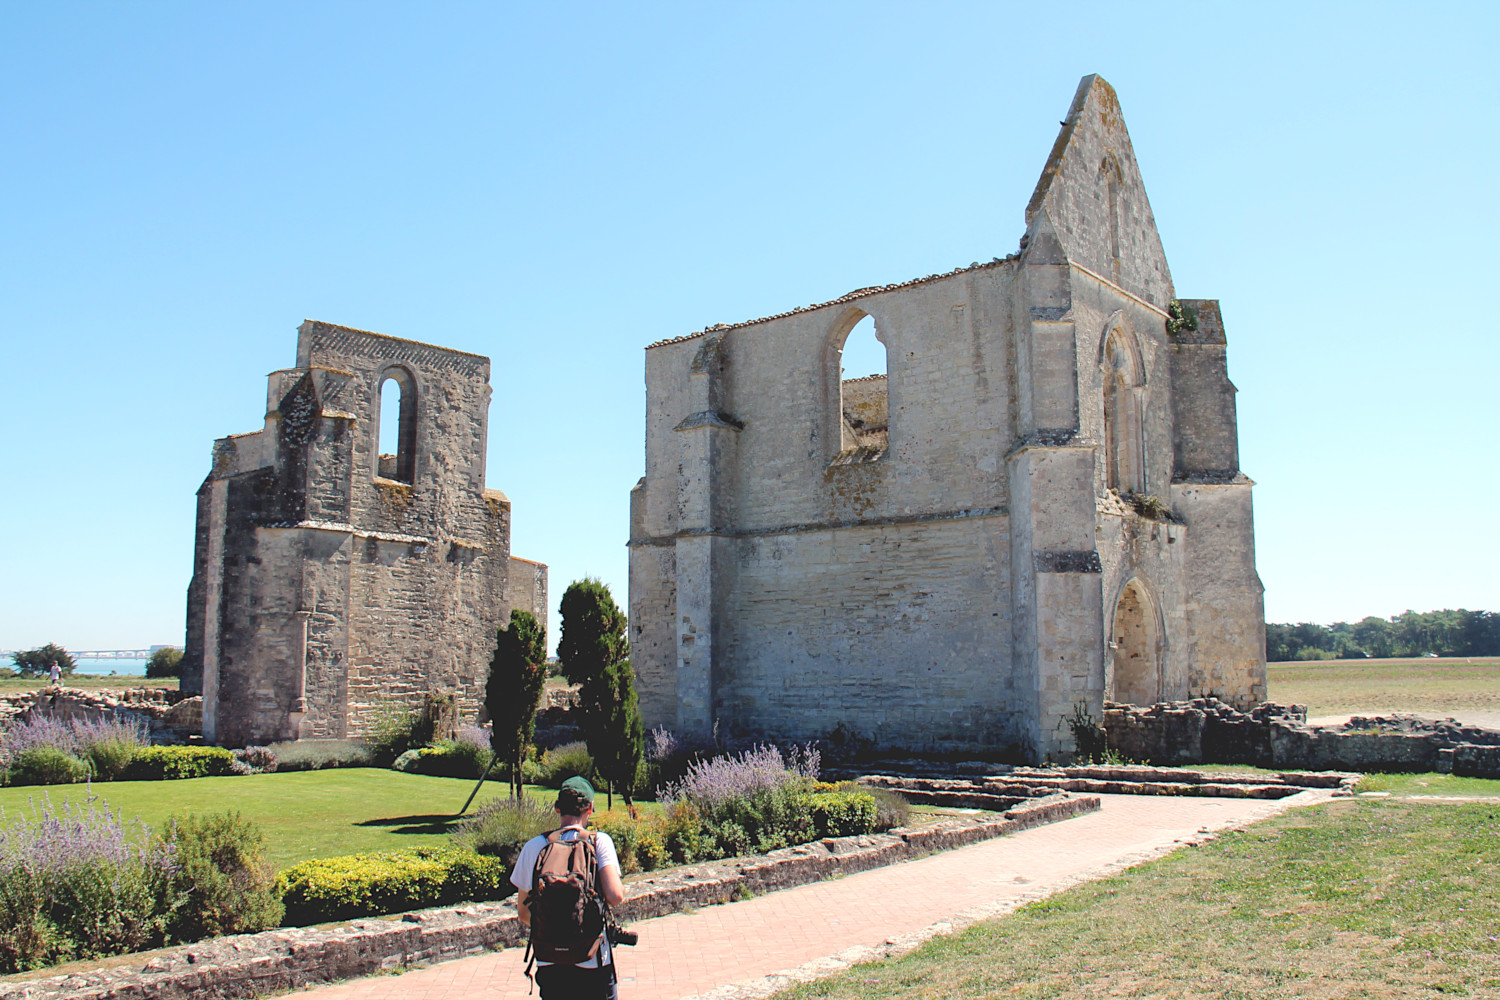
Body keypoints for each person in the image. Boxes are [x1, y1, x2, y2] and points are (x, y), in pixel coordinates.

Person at [511, 776, 627, 999]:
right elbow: (615, 895)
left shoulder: (534, 847)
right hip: (591, 959)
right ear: (590, 808)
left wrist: (555, 930)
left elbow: (524, 913)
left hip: (549, 960)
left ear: (557, 808)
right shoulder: (598, 842)